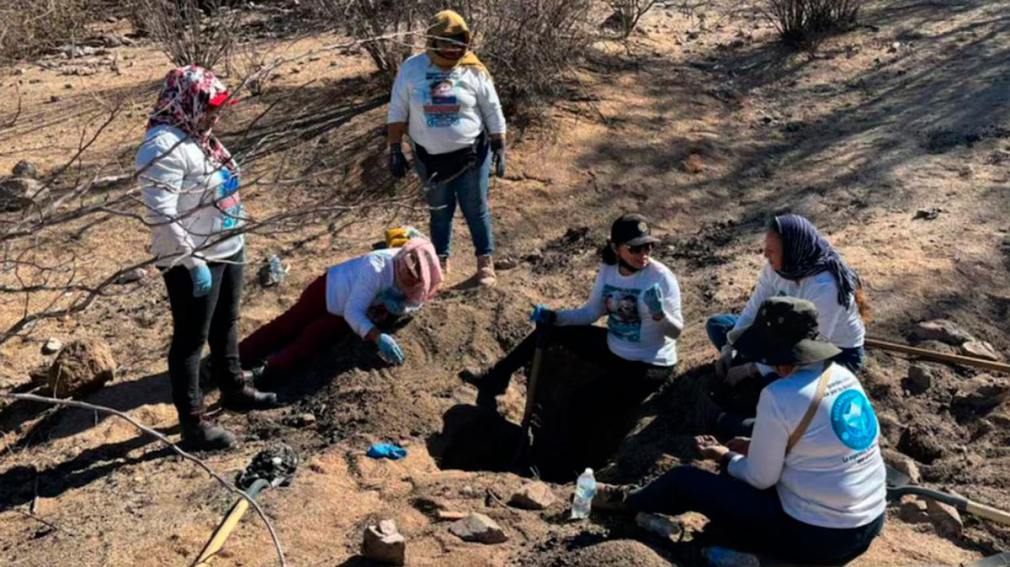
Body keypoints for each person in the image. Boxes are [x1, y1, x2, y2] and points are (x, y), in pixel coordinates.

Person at [596, 297, 886, 566]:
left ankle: (626, 501)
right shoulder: (844, 376)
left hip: (817, 536)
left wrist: (724, 456)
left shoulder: (780, 395)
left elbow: (761, 478)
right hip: (869, 523)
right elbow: (820, 445)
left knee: (684, 481)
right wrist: (755, 446)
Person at [462, 214, 682, 467]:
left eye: (648, 246)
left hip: (648, 364)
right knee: (550, 331)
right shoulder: (609, 270)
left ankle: (573, 469)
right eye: (635, 248)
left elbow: (675, 332)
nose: (643, 254)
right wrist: (556, 317)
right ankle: (496, 379)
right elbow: (591, 313)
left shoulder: (661, 278)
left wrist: (659, 314)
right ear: (616, 248)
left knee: (583, 404)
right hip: (615, 346)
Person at [138, 65, 276, 452]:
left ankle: (233, 387)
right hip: (192, 258)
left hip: (227, 246)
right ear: (187, 102)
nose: (216, 116)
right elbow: (161, 214)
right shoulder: (162, 146)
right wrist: (192, 261)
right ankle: (193, 422)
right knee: (191, 339)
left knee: (226, 321)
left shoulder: (198, 136)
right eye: (211, 108)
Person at [386, 9, 507, 286]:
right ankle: (439, 262)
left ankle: (485, 261)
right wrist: (394, 148)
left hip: (471, 155)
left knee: (475, 208)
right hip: (428, 158)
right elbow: (397, 109)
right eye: (446, 42)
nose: (453, 49)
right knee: (440, 210)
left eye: (459, 42)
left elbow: (492, 107)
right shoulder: (412, 69)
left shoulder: (474, 69)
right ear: (432, 41)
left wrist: (499, 144)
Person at [239, 238, 443, 380]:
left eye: (414, 278)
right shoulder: (377, 267)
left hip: (346, 313)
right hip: (327, 292)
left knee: (310, 341)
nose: (408, 277)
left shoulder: (419, 281)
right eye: (407, 271)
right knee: (287, 326)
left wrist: (399, 308)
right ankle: (236, 357)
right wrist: (378, 337)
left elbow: (414, 303)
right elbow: (353, 312)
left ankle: (264, 374)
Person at [709, 213, 869, 387]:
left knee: (773, 387)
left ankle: (760, 373)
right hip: (786, 335)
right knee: (719, 326)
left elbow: (812, 348)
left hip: (830, 353)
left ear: (792, 252)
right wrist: (730, 347)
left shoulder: (825, 287)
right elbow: (753, 309)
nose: (765, 255)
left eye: (771, 251)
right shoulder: (777, 269)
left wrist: (750, 369)